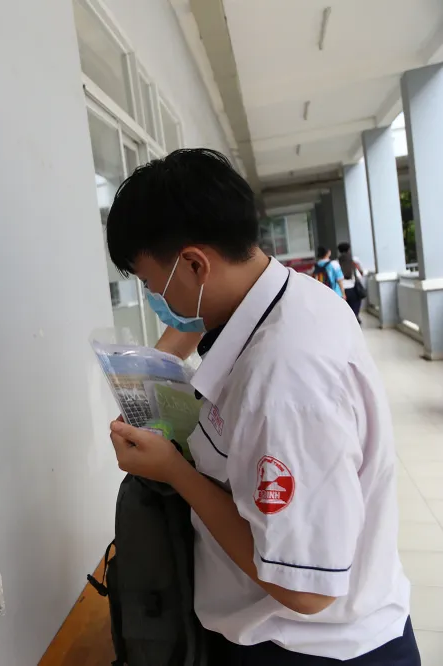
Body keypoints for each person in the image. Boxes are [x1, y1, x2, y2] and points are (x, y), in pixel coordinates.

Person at [104, 149, 417, 665]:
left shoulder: (283, 380)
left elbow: (305, 592)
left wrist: (174, 472)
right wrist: (144, 380)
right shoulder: (281, 294)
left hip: (311, 648)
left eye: (150, 283)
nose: (153, 296)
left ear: (195, 264)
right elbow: (192, 320)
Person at [338, 241, 366, 322]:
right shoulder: (354, 260)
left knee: (346, 307)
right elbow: (361, 272)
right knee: (355, 305)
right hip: (353, 287)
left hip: (342, 288)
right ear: (348, 250)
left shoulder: (336, 261)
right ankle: (355, 317)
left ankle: (350, 320)